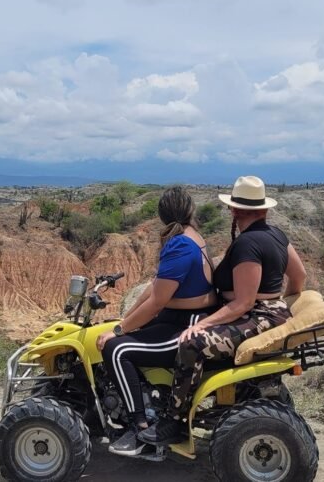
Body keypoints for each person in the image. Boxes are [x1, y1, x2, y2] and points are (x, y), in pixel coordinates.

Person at [138, 175, 308, 445]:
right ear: (263, 209)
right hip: (270, 311)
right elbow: (299, 277)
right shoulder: (277, 235)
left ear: (234, 210)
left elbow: (243, 303)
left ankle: (175, 421)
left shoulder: (247, 245)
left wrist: (201, 326)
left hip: (257, 315)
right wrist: (281, 304)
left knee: (192, 343)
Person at [95, 186, 218, 457]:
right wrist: (127, 321)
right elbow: (154, 289)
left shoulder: (179, 244)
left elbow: (157, 301)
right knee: (128, 337)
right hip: (185, 318)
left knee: (115, 350)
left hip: (186, 325)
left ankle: (140, 427)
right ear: (190, 210)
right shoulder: (193, 237)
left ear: (162, 215)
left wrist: (118, 330)